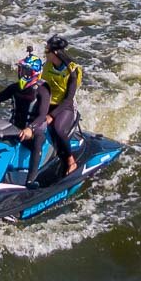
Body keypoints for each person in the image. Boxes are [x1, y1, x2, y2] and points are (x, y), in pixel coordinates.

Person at [0, 53, 51, 189]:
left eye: (26, 71)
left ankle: (31, 180)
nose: (22, 73)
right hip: (14, 128)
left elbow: (43, 115)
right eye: (21, 70)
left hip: (33, 130)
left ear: (35, 73)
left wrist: (30, 128)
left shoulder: (43, 91)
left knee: (38, 142)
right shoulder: (15, 88)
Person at [39, 36, 81, 176]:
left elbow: (68, 99)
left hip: (65, 106)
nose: (45, 53)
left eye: (47, 50)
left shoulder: (72, 70)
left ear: (55, 53)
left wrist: (51, 115)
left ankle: (70, 161)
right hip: (48, 102)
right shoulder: (47, 66)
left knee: (58, 129)